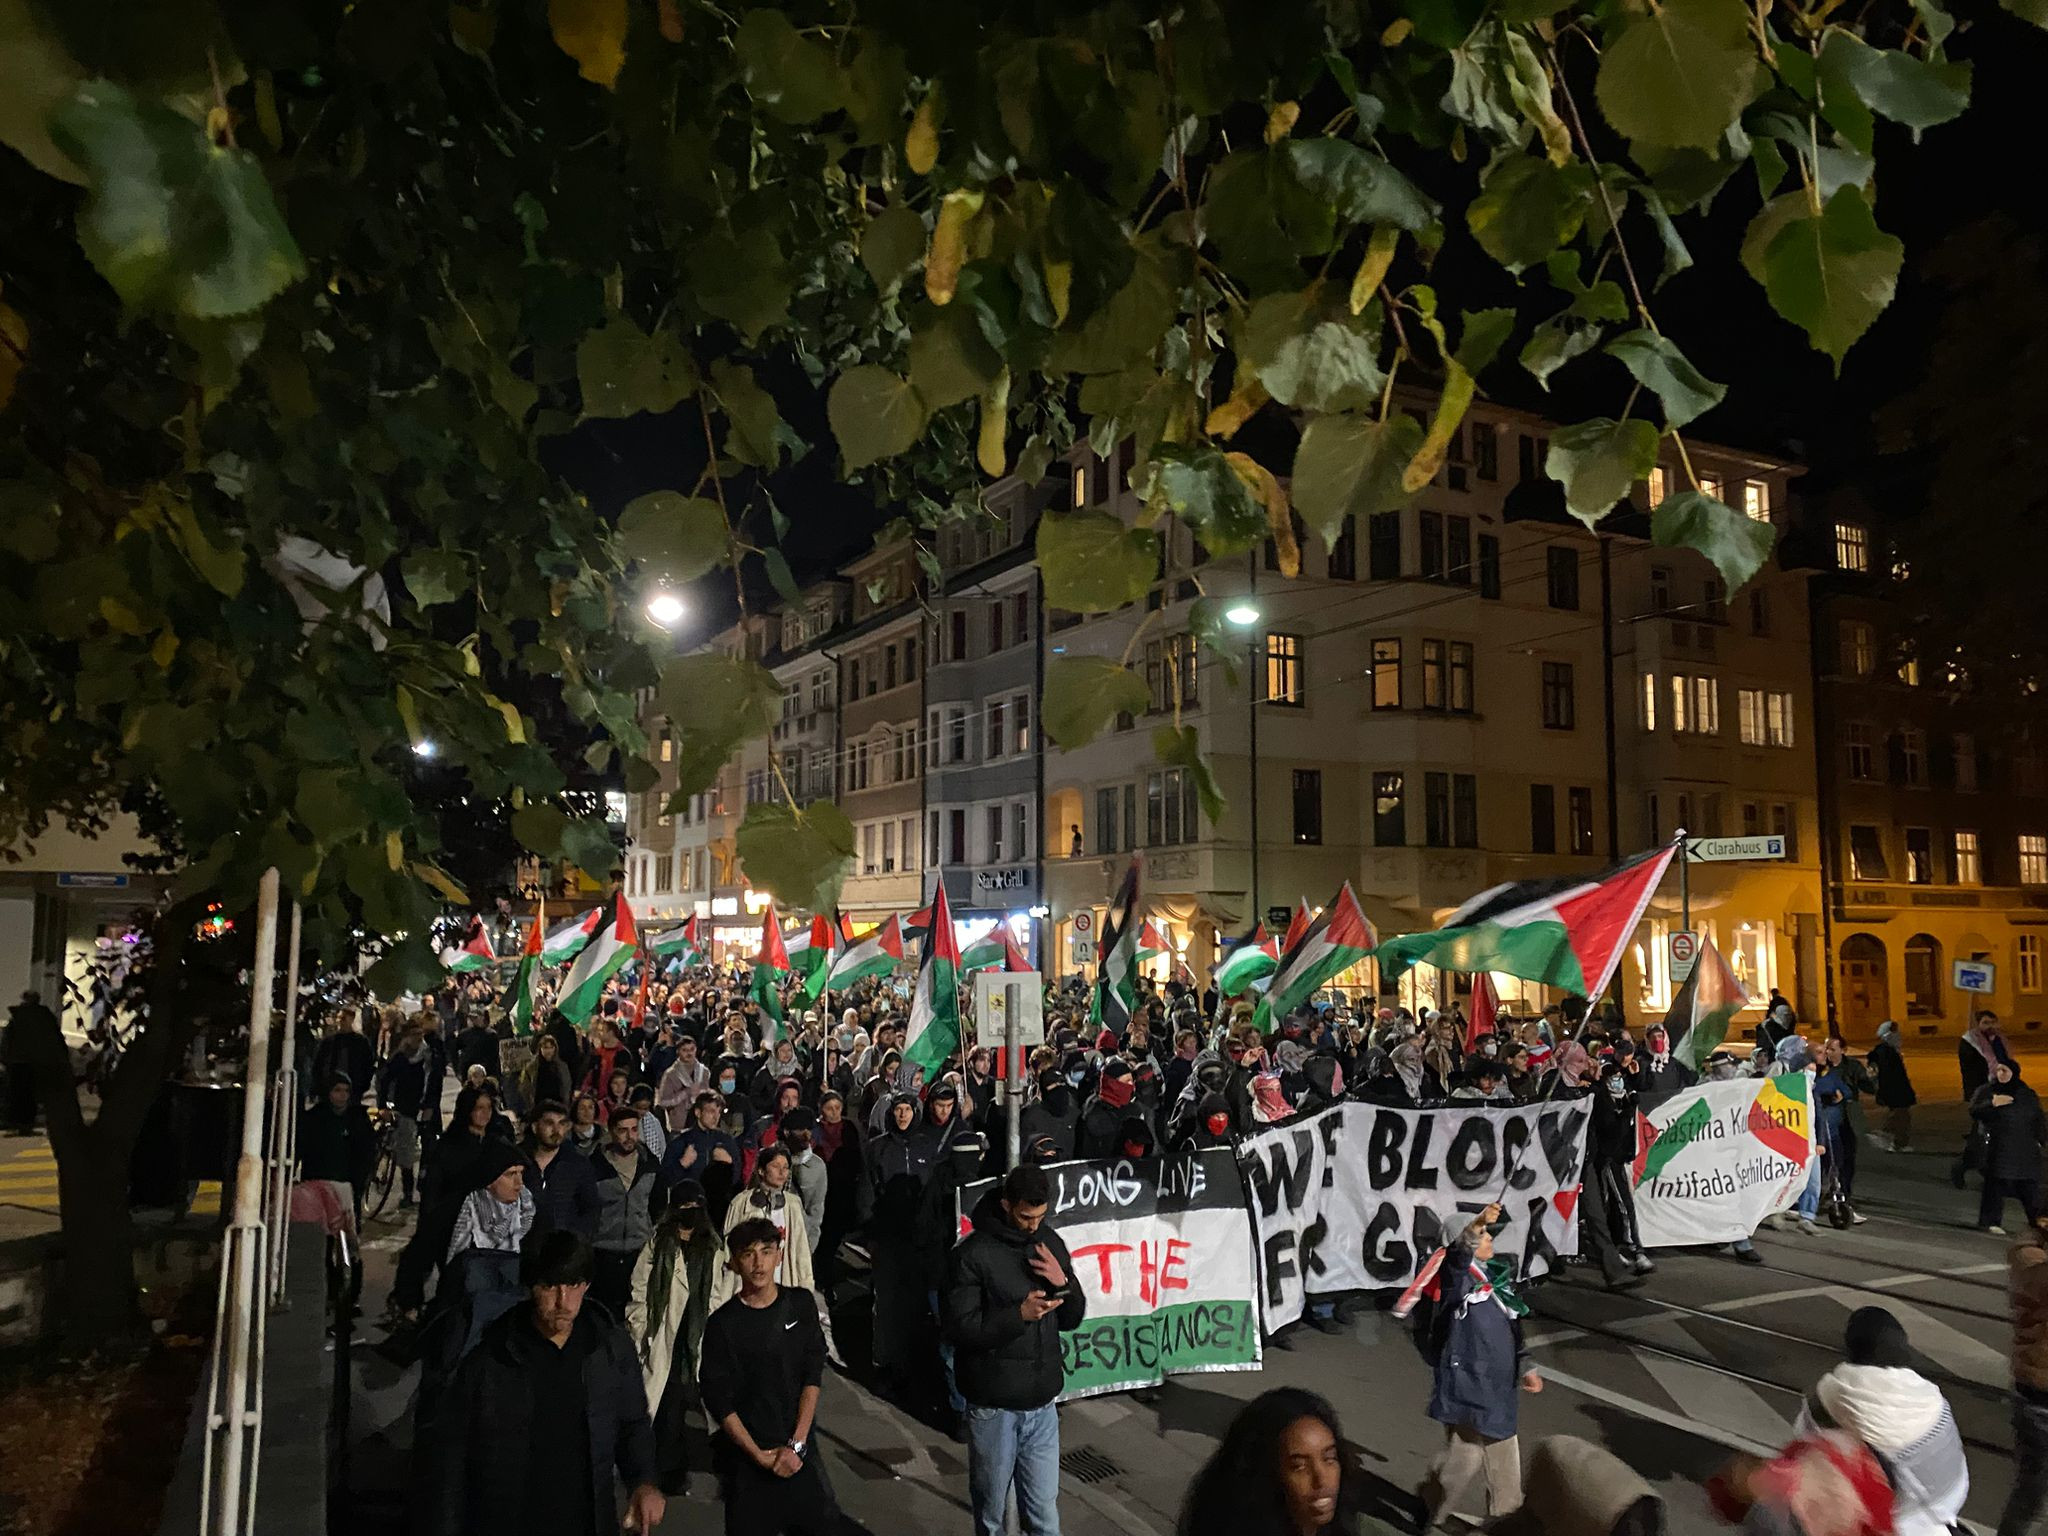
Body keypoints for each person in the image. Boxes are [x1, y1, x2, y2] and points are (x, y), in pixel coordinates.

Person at [425, 1231, 663, 1536]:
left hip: (587, 1520)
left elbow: (633, 1423)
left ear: (587, 1285)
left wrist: (643, 1482)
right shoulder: (492, 1357)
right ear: (531, 1287)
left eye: (573, 1285)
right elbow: (452, 1459)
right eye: (550, 1286)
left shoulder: (608, 1348)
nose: (563, 1301)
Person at [944, 1163, 1087, 1536]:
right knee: (992, 1515)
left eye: (1040, 1216)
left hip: (1041, 1407)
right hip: (995, 1409)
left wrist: (1064, 1282)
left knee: (1044, 1514)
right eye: (1026, 1216)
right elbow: (961, 1329)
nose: (1033, 1225)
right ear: (1007, 1205)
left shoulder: (1050, 1243)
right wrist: (1018, 1316)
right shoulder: (972, 1255)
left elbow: (1073, 1318)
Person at [698, 1218, 841, 1536]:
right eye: (748, 1253)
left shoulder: (800, 1304)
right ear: (735, 1262)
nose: (758, 1262)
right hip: (749, 1465)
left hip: (800, 1454)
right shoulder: (723, 1324)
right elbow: (718, 1399)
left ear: (779, 1255)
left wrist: (798, 1445)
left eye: (766, 1251)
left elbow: (812, 1375)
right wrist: (758, 1456)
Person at [1792, 1307, 1967, 1536]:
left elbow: (1801, 1450)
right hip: (1936, 1509)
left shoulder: (1828, 1396)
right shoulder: (1932, 1398)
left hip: (1861, 1519)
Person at [1419, 1211, 1538, 1526]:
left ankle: (1494, 1520)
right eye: (1483, 1235)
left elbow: (1514, 1329)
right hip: (1471, 1384)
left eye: (1488, 1234)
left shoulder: (1496, 1280)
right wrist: (1473, 1228)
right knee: (1480, 1459)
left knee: (1484, 1460)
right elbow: (1459, 1255)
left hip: (1497, 1386)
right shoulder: (1456, 1280)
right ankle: (1441, 1510)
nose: (1489, 1240)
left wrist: (1525, 1364)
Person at [627, 1179, 721, 1497]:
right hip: (664, 1336)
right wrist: (640, 1326)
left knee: (701, 1407)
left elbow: (719, 1294)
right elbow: (640, 1288)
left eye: (696, 1207)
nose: (690, 1213)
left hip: (696, 1337)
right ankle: (664, 1473)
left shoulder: (712, 1247)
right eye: (684, 1207)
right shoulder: (659, 1244)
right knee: (666, 1409)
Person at [1178, 1387, 1359, 1536]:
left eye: (1329, 1458)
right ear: (1265, 1474)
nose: (1322, 1479)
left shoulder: (1341, 1524)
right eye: (1299, 1467)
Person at [441, 1144, 536, 1361]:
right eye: (511, 1175)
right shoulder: (463, 1208)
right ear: (490, 1178)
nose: (519, 1183)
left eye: (521, 1174)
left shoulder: (530, 1209)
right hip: (473, 1315)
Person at [591, 1105, 662, 1314]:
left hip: (639, 1250)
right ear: (611, 1131)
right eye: (623, 1130)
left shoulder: (650, 1165)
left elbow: (658, 1207)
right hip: (603, 1252)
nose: (629, 1136)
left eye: (634, 1129)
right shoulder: (595, 1166)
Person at [2002, 1217, 2048, 1536]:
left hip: (2033, 1392)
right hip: (2040, 1399)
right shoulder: (2034, 1263)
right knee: (2032, 1496)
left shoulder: (2029, 1253)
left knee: (2030, 1495)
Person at [1973, 1061, 2047, 1234]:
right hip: (2000, 1146)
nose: (2001, 1074)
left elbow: (2038, 1117)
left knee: (2028, 1188)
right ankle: (1990, 1221)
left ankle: (2038, 1221)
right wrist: (1992, 1104)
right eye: (1998, 1070)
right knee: (1996, 1184)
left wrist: (2041, 1139)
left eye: (2005, 1070)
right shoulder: (1988, 1091)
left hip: (2025, 1148)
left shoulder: (2026, 1094)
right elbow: (1975, 1112)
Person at [298, 1072, 377, 1217]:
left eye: (346, 1091)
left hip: (347, 1183)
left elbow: (367, 1151)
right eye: (337, 1090)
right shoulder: (315, 1117)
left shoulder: (357, 1119)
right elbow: (305, 1146)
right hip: (319, 1183)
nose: (342, 1095)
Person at [523, 1100, 602, 1241]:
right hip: (521, 1249)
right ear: (535, 1127)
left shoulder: (578, 1164)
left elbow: (591, 1209)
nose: (556, 1129)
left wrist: (575, 1241)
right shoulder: (518, 1161)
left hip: (562, 1251)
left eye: (561, 1123)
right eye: (549, 1123)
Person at [1867, 1020, 1916, 1153]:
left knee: (1901, 1115)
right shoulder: (1885, 1052)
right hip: (1895, 1091)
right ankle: (1890, 1138)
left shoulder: (1890, 1051)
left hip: (1897, 1090)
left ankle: (1893, 1140)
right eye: (1894, 1032)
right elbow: (1885, 1075)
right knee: (1901, 1115)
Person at [312, 1009, 375, 1106]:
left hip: (353, 1089)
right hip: (330, 1089)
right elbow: (319, 1064)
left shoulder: (361, 1042)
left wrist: (362, 1085)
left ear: (352, 1019)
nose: (340, 1021)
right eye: (339, 1018)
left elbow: (368, 1065)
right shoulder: (330, 1041)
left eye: (343, 1018)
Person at [520, 1032, 576, 1119]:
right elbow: (525, 1087)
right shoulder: (531, 1067)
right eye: (545, 1047)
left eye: (551, 1047)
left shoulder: (562, 1066)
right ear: (540, 1048)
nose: (548, 1051)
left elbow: (566, 1086)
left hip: (558, 1105)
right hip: (539, 1105)